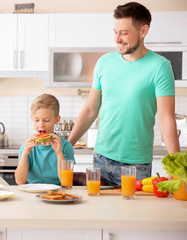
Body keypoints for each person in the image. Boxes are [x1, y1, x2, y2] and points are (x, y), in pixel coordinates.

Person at [68, 2, 180, 186]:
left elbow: (166, 118)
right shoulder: (104, 62)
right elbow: (90, 110)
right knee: (98, 214)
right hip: (100, 160)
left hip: (135, 166)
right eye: (115, 31)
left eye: (124, 32)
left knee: (133, 214)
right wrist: (68, 145)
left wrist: (176, 166)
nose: (117, 38)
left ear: (143, 31)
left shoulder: (160, 67)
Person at [15, 94, 76, 185]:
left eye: (46, 120)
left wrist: (59, 153)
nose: (41, 125)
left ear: (57, 119)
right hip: (32, 193)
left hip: (57, 194)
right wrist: (25, 153)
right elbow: (20, 182)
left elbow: (66, 182)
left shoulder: (65, 147)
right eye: (36, 120)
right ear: (31, 118)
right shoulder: (27, 146)